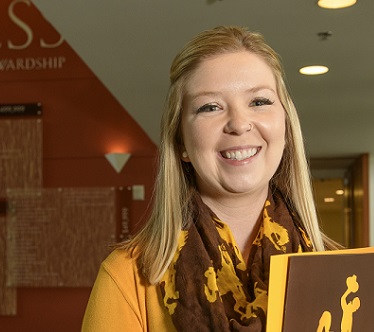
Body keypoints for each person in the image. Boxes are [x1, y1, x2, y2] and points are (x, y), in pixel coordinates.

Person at [82, 25, 339, 331]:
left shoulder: (340, 272)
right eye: (210, 107)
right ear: (181, 144)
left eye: (259, 101)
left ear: (285, 127)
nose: (239, 124)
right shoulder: (129, 276)